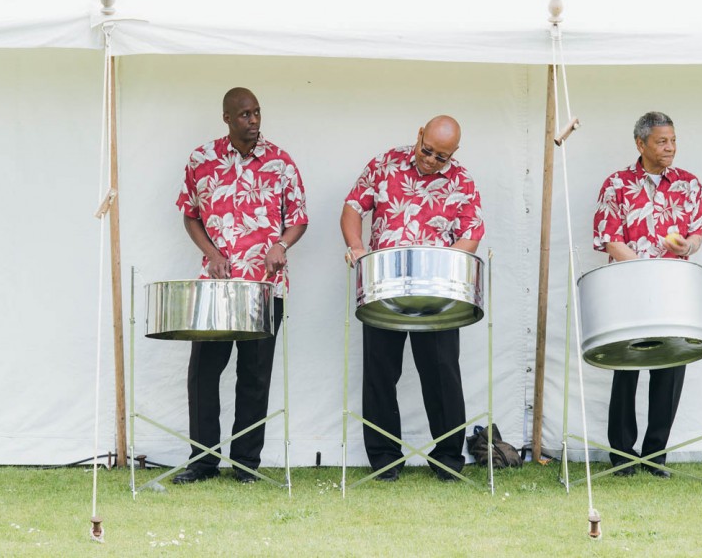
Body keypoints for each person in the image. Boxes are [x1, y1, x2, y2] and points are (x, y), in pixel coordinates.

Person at [171, 87, 308, 484]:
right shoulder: (202, 160)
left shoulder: (281, 162)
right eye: (245, 114)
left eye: (257, 113)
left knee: (254, 375)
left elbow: (298, 217)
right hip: (218, 285)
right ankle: (203, 461)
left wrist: (282, 244)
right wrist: (212, 253)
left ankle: (246, 463)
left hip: (266, 286)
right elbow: (190, 214)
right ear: (227, 118)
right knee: (204, 372)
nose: (254, 121)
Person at [340, 115, 485, 482]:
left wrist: (443, 267)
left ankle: (449, 459)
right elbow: (353, 207)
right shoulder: (385, 164)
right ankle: (385, 459)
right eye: (428, 150)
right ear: (419, 135)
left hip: (435, 293)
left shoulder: (462, 182)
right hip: (385, 288)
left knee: (441, 375)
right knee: (380, 375)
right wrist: (356, 246)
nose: (432, 160)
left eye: (442, 157)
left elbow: (471, 233)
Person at [592, 111, 702, 478]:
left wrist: (687, 245)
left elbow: (697, 233)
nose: (669, 147)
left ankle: (655, 456)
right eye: (661, 141)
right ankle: (622, 457)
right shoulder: (617, 184)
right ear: (640, 144)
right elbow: (609, 237)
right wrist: (644, 269)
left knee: (671, 368)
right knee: (627, 367)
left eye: (672, 140)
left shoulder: (689, 184)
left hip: (674, 289)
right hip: (630, 286)